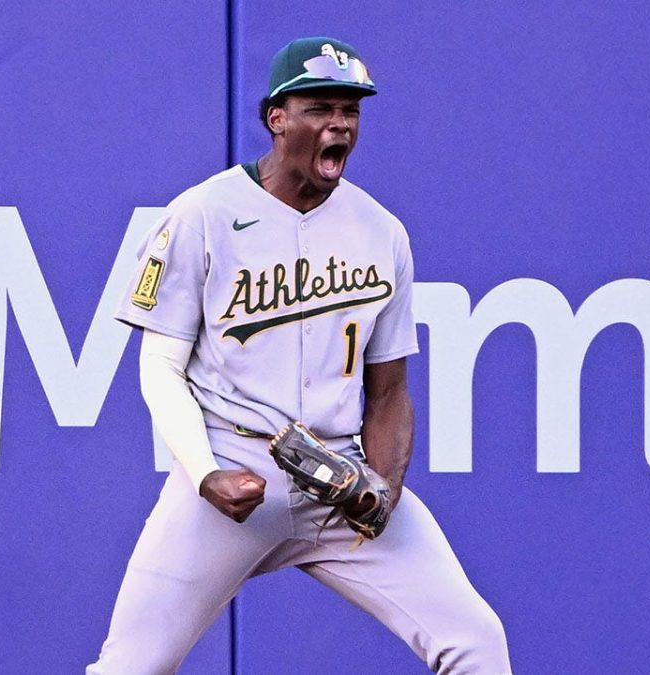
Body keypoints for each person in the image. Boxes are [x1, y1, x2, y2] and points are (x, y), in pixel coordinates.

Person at [87, 36, 511, 674]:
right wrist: (205, 473)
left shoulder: (382, 232)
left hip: (338, 478)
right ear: (276, 118)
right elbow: (160, 368)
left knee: (476, 640)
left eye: (351, 110)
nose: (339, 123)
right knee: (129, 669)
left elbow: (390, 391)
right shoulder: (201, 215)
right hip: (234, 468)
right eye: (319, 107)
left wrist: (383, 494)